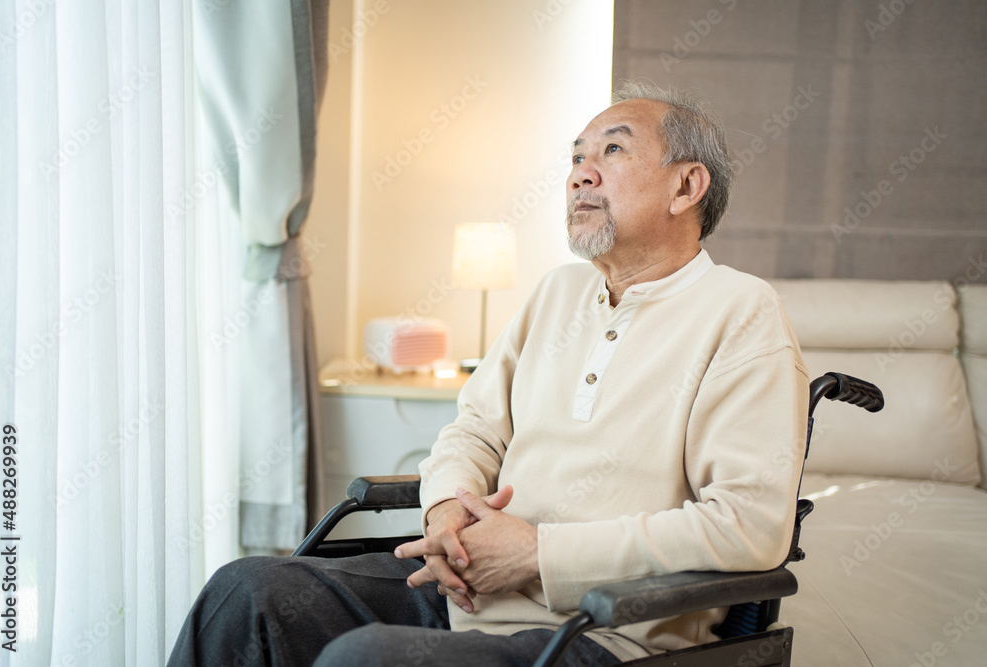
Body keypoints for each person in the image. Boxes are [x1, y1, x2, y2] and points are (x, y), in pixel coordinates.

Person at [167, 81, 809, 666]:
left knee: (366, 659)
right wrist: (445, 508)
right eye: (577, 156)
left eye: (612, 151)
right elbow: (474, 429)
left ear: (686, 187)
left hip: (606, 633)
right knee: (245, 590)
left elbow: (749, 524)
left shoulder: (741, 312)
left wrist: (539, 554)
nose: (581, 174)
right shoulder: (556, 294)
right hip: (465, 595)